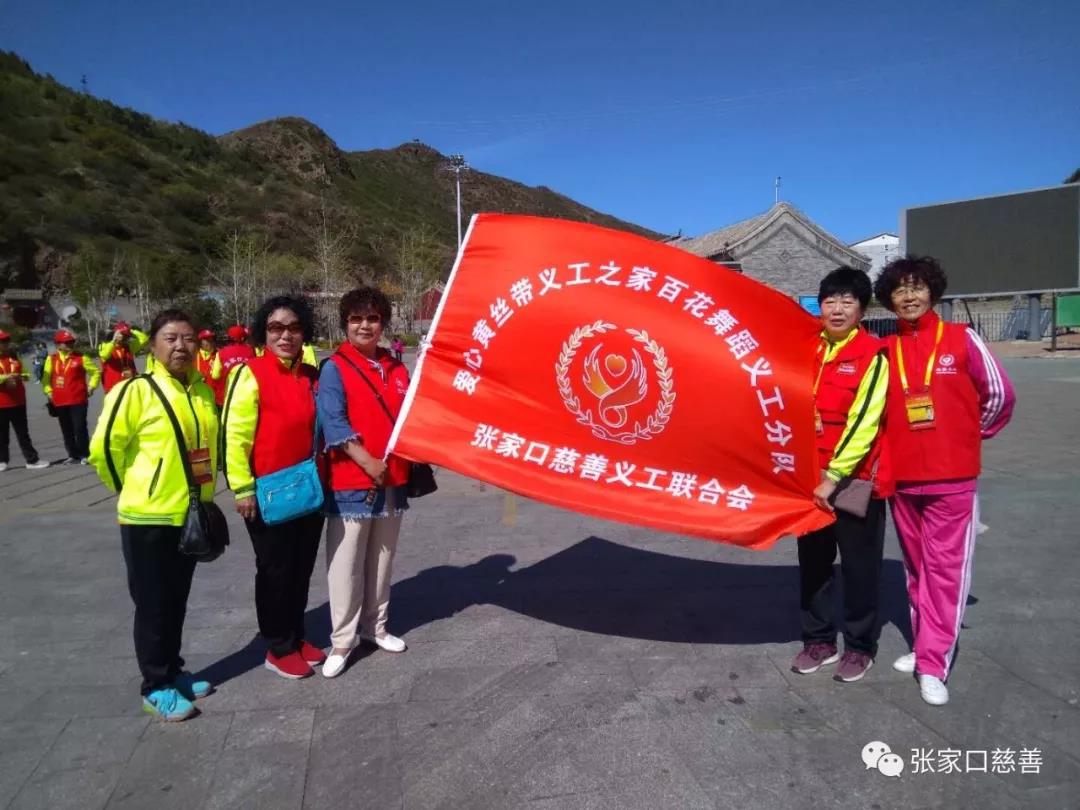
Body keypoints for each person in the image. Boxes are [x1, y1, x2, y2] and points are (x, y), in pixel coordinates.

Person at [873, 256, 1015, 706]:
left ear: (932, 291)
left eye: (917, 287)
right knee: (917, 570)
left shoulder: (961, 338)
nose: (909, 296)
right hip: (902, 479)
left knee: (946, 572)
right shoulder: (885, 350)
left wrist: (969, 436)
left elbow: (999, 395)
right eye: (900, 290)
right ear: (889, 300)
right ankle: (924, 645)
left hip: (952, 477)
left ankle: (934, 663)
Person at [88, 309, 219, 721]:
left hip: (188, 514)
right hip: (147, 517)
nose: (181, 346)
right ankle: (155, 685)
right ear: (153, 345)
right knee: (152, 604)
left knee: (176, 600)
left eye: (188, 338)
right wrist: (134, 489)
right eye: (170, 338)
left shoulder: (201, 390)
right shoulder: (134, 391)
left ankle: (174, 671)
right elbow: (104, 449)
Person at [790, 267, 892, 683]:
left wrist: (833, 477)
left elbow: (866, 421)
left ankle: (860, 646)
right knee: (814, 563)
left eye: (847, 301)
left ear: (862, 309)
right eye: (829, 301)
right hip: (807, 479)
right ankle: (818, 640)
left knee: (859, 567)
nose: (837, 309)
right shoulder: (806, 348)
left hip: (854, 481)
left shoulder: (873, 354)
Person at [220, 296, 326, 679]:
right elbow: (234, 436)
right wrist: (241, 488)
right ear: (263, 332)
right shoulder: (249, 373)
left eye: (294, 328)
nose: (285, 335)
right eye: (276, 328)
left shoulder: (310, 375)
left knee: (300, 567)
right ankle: (278, 646)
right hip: (267, 493)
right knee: (274, 570)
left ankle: (297, 635)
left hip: (307, 489)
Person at [317, 286, 412, 678]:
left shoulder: (396, 367)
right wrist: (366, 461)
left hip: (393, 478)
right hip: (351, 480)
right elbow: (333, 421)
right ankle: (342, 639)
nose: (365, 325)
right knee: (346, 563)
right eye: (356, 319)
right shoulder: (334, 368)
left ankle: (377, 626)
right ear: (345, 323)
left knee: (382, 558)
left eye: (372, 318)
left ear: (383, 323)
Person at [42, 330, 100, 464]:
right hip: (59, 400)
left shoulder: (81, 358)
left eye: (71, 342)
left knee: (79, 427)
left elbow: (96, 372)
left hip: (78, 399)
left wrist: (91, 387)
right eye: (66, 343)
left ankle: (85, 454)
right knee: (66, 429)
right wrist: (48, 391)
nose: (70, 345)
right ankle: (73, 455)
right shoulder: (51, 359)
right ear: (58, 344)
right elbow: (45, 379)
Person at [0, 330, 49, 471]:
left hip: (18, 401)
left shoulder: (15, 356)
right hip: (1, 402)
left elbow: (26, 373)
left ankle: (32, 460)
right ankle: (2, 461)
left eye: (6, 341)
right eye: (2, 341)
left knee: (23, 433)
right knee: (2, 435)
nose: (5, 344)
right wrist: (5, 378)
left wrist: (22, 376)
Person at [98, 321, 149, 393]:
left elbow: (144, 339)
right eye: (122, 335)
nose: (123, 338)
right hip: (113, 388)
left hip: (130, 386)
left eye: (126, 336)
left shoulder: (128, 347)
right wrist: (114, 340)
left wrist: (130, 330)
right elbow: (104, 355)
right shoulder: (105, 346)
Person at [210, 324, 255, 393]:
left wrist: (212, 369)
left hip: (228, 393)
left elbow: (215, 375)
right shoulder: (252, 351)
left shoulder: (221, 353)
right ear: (243, 338)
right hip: (248, 393)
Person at [194, 329, 225, 407]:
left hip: (217, 400)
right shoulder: (194, 355)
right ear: (200, 342)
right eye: (206, 340)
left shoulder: (220, 355)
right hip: (198, 398)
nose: (210, 342)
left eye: (211, 340)